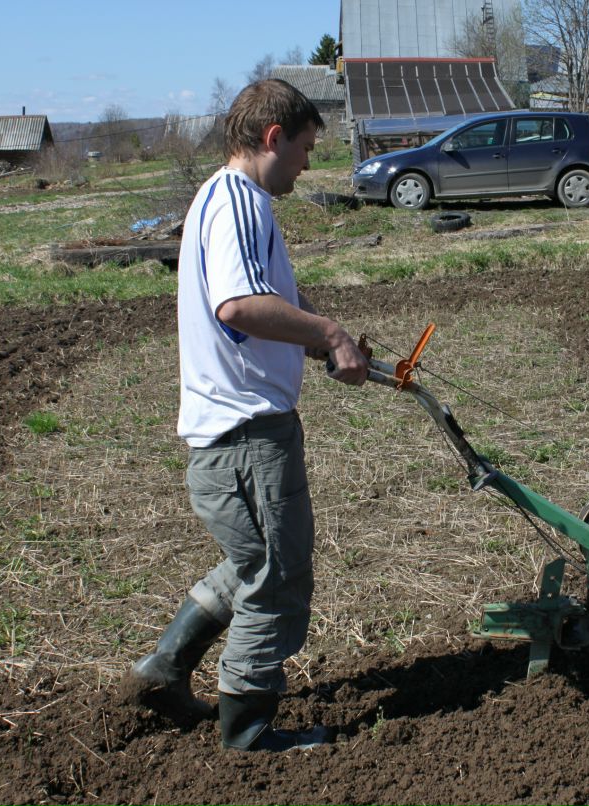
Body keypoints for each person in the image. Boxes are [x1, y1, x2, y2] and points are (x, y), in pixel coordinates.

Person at [122, 79, 368, 752]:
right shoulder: (239, 204)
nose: (309, 164)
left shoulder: (223, 199)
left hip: (233, 435)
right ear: (272, 138)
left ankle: (165, 668)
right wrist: (329, 333)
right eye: (307, 147)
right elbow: (237, 306)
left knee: (254, 559)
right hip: (247, 436)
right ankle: (250, 731)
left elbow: (261, 302)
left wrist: (325, 339)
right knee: (277, 576)